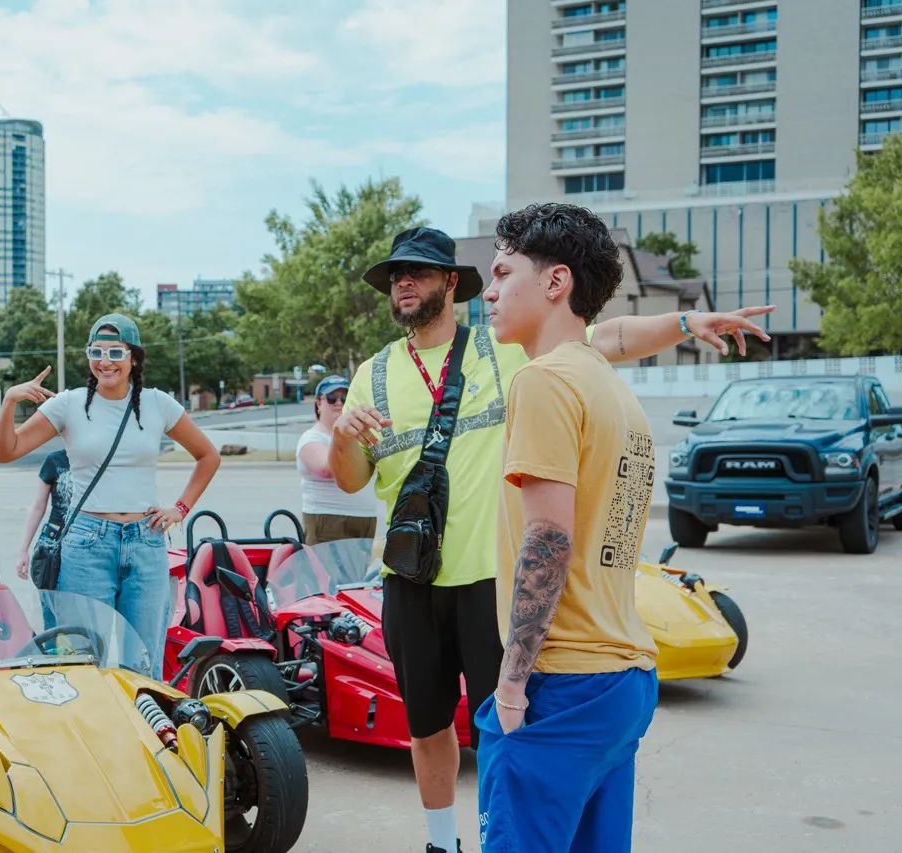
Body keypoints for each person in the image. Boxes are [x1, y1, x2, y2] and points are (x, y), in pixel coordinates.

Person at [329, 225, 772, 853]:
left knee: (507, 732)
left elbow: (606, 336)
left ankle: (498, 831)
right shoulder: (372, 374)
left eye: (419, 272)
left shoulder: (506, 346)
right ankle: (440, 843)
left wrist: (685, 322)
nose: (403, 283)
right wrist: (342, 436)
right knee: (426, 725)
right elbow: (350, 481)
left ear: (451, 284)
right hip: (412, 579)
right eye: (395, 275)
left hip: (492, 581)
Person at [476, 203, 661, 852]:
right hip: (624, 676)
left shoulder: (544, 381)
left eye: (502, 272)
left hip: (562, 681)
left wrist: (511, 679)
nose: (489, 290)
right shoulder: (613, 390)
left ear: (556, 282)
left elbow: (548, 540)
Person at [0, 313, 221, 676]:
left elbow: (208, 456)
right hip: (86, 545)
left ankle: (145, 732)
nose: (105, 361)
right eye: (96, 351)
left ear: (134, 358)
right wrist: (8, 403)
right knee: (84, 662)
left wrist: (180, 508)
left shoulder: (158, 404)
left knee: (143, 662)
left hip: (146, 541)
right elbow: (6, 452)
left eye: (116, 352)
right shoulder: (68, 405)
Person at [295, 375, 378, 545]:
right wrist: (341, 437)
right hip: (328, 517)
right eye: (332, 398)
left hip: (364, 518)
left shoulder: (361, 436)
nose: (339, 403)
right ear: (319, 404)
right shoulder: (311, 437)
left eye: (344, 397)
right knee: (324, 572)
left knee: (358, 572)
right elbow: (327, 469)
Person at [15, 448, 73, 584]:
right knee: (51, 599)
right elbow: (38, 507)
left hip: (90, 542)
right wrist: (23, 550)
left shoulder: (100, 458)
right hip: (54, 542)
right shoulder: (55, 460)